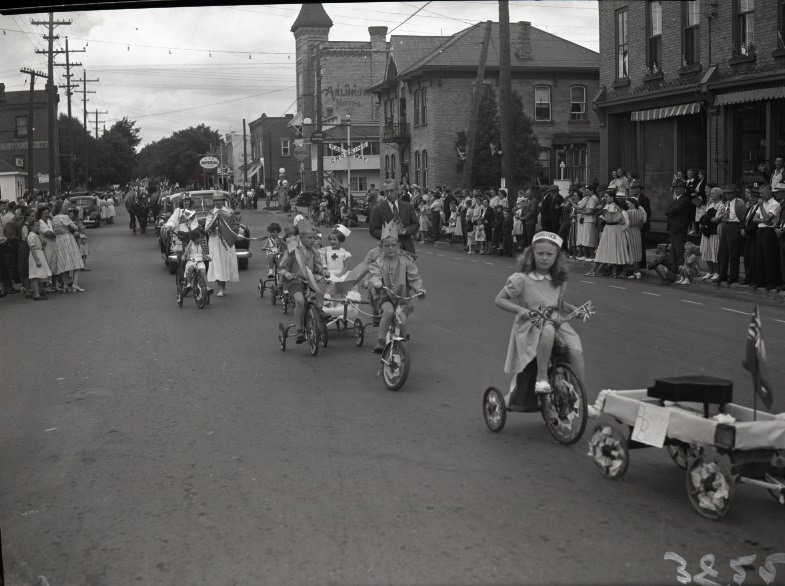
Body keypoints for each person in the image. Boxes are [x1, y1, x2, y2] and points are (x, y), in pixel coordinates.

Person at [494, 231, 585, 403]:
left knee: (575, 350)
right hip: (532, 322)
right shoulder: (521, 279)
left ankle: (579, 396)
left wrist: (573, 309)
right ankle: (541, 378)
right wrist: (520, 310)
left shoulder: (558, 278)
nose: (545, 258)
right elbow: (499, 299)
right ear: (531, 255)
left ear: (557, 257)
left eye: (549, 254)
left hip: (556, 320)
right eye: (540, 253)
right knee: (548, 329)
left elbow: (558, 303)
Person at [367, 220, 425, 354]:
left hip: (402, 297)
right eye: (387, 246)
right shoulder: (378, 262)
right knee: (388, 311)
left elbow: (414, 276)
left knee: (401, 318)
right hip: (385, 296)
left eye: (393, 245)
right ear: (381, 247)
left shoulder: (406, 260)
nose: (391, 248)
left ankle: (401, 343)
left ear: (399, 245)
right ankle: (381, 341)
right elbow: (374, 274)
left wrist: (419, 289)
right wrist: (376, 282)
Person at [277, 219, 331, 344]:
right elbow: (281, 268)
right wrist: (288, 274)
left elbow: (318, 268)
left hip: (310, 279)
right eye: (309, 238)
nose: (313, 240)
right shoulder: (293, 251)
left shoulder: (315, 252)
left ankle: (319, 308)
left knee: (321, 280)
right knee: (300, 300)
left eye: (314, 238)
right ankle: (299, 329)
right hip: (295, 281)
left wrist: (324, 272)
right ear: (301, 238)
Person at [585, 188, 631, 278]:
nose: (605, 198)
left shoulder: (609, 206)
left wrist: (602, 217)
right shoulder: (617, 206)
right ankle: (613, 272)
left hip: (610, 229)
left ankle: (593, 271)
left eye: (606, 197)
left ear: (612, 197)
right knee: (614, 250)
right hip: (616, 230)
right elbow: (622, 222)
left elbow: (609, 220)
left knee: (602, 249)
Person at [368, 180, 419, 256]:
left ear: (397, 190)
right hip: (388, 252)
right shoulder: (377, 209)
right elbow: (373, 230)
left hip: (407, 249)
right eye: (386, 191)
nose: (389, 194)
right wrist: (391, 233)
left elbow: (415, 225)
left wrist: (405, 231)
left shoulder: (408, 207)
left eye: (392, 191)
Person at [205, 196, 239, 297]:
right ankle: (220, 287)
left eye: (220, 200)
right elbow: (207, 228)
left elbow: (235, 225)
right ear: (213, 201)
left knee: (225, 262)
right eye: (216, 200)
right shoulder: (211, 212)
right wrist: (214, 222)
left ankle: (223, 286)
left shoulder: (229, 211)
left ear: (223, 201)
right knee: (217, 263)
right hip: (215, 240)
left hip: (226, 240)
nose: (218, 202)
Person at [714, 184, 746, 284]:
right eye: (726, 193)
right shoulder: (727, 203)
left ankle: (733, 276)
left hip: (734, 226)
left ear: (734, 193)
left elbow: (742, 218)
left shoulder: (739, 204)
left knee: (733, 253)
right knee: (723, 252)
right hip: (726, 225)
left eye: (729, 193)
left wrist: (740, 228)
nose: (727, 195)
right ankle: (722, 274)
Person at [752, 184, 782, 291]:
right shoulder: (763, 203)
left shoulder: (775, 204)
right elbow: (755, 219)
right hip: (761, 230)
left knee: (769, 258)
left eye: (762, 193)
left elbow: (768, 218)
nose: (760, 196)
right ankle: (760, 281)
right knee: (759, 257)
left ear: (769, 192)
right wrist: (764, 219)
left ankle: (771, 282)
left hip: (769, 232)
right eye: (760, 193)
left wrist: (761, 208)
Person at [50, 202, 85, 292]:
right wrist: (74, 225)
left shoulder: (54, 219)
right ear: (60, 208)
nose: (66, 209)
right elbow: (75, 228)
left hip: (59, 240)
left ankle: (65, 285)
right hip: (67, 238)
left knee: (63, 262)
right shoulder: (64, 217)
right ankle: (75, 284)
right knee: (76, 261)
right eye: (64, 207)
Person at [664, 178, 693, 272]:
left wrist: (671, 211)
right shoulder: (675, 200)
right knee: (674, 251)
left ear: (683, 189)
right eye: (675, 188)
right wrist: (670, 211)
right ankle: (674, 268)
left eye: (679, 188)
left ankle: (681, 270)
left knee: (679, 251)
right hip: (673, 228)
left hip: (680, 228)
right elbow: (667, 210)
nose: (676, 190)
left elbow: (675, 210)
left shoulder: (684, 200)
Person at [698, 187, 726, 280]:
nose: (711, 194)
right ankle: (710, 271)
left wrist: (706, 218)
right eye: (711, 193)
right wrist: (707, 218)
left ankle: (717, 272)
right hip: (706, 230)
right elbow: (702, 217)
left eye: (713, 193)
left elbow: (716, 219)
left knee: (715, 251)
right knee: (707, 250)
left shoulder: (721, 205)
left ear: (719, 194)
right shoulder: (710, 205)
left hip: (715, 231)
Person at [180, 228, 210, 298]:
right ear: (195, 239)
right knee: (190, 268)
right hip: (192, 259)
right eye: (200, 238)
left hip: (199, 260)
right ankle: (188, 283)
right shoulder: (191, 243)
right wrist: (184, 256)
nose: (201, 239)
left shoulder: (201, 244)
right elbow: (187, 251)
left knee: (203, 271)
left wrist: (207, 257)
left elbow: (204, 253)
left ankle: (207, 286)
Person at [27, 219, 51, 300]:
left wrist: (41, 238)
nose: (38, 227)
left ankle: (39, 291)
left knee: (39, 274)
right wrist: (37, 260)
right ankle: (36, 294)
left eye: (39, 226)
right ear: (31, 227)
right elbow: (32, 248)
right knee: (35, 275)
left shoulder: (36, 235)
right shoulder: (31, 236)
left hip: (39, 254)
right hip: (35, 256)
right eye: (36, 226)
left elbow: (43, 244)